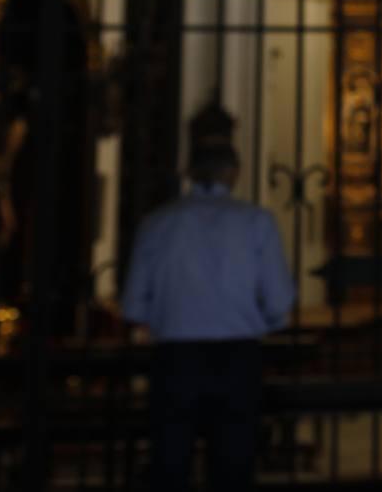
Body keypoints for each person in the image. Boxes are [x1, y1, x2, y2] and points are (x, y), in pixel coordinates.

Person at [122, 138, 296, 492]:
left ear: (188, 172)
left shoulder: (158, 223)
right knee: (233, 464)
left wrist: (166, 318)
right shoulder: (256, 223)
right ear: (234, 174)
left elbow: (133, 306)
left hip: (176, 357)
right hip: (237, 356)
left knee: (170, 462)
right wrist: (262, 322)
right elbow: (279, 301)